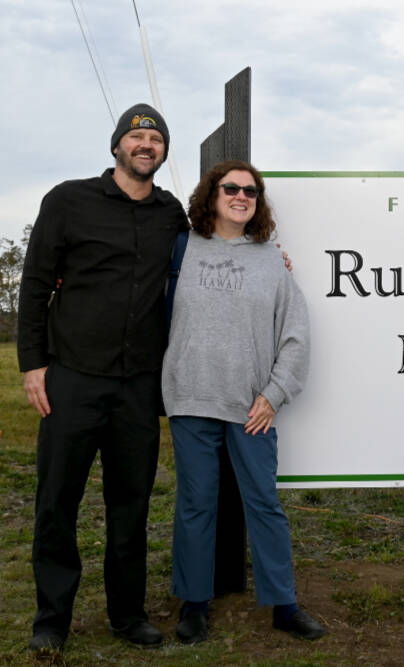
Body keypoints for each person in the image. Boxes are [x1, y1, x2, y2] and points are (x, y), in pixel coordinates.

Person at [18, 104, 187, 651]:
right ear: (117, 145)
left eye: (155, 138)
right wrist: (32, 364)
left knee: (131, 505)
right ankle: (51, 622)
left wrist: (268, 257)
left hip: (138, 385)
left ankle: (127, 615)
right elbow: (35, 283)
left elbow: (210, 259)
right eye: (136, 136)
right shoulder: (68, 200)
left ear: (163, 151)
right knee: (56, 501)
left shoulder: (171, 213)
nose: (146, 144)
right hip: (72, 378)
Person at [161, 160, 324, 644]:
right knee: (196, 504)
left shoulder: (271, 258)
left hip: (251, 406)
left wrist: (274, 394)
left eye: (250, 191)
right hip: (191, 397)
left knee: (264, 503)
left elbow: (296, 333)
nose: (241, 196)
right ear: (211, 195)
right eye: (230, 188)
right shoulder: (180, 248)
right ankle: (194, 604)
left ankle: (284, 604)